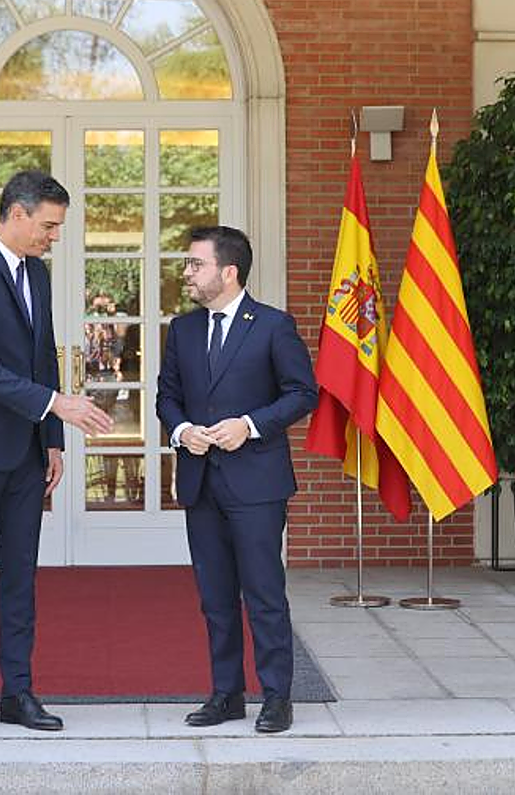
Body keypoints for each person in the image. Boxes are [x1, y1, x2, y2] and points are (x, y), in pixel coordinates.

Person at [0, 170, 113, 737]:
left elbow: (40, 358)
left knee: (19, 580)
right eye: (49, 226)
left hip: (25, 455)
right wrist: (58, 405)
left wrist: (51, 442)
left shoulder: (37, 273)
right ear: (16, 215)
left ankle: (17, 692)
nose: (54, 236)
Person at [155, 225, 318, 734]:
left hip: (257, 486)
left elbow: (302, 393)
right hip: (201, 481)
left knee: (264, 593)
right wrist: (183, 431)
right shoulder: (181, 330)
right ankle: (226, 694)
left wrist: (247, 426)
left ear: (229, 271)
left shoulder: (272, 325)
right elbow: (166, 396)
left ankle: (276, 697)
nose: (187, 272)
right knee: (215, 597)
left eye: (195, 264)